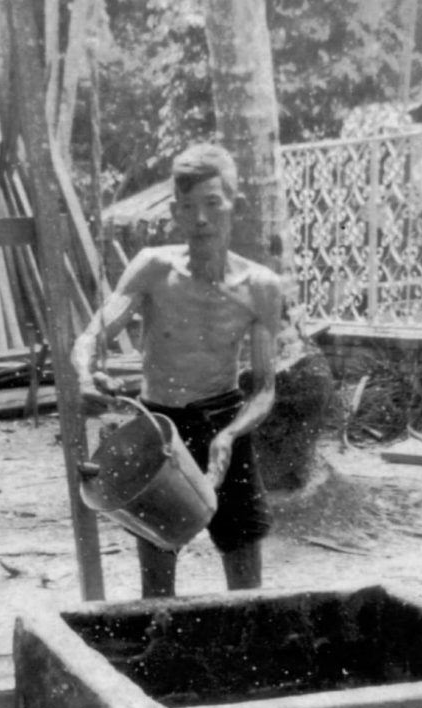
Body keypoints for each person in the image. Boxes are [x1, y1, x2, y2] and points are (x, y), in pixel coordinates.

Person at [72, 142, 283, 598]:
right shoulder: (153, 268)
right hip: (159, 427)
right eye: (187, 207)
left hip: (224, 421)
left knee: (246, 579)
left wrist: (230, 435)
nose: (200, 219)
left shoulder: (261, 286)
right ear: (174, 212)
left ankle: (245, 642)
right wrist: (86, 377)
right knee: (157, 571)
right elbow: (91, 337)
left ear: (235, 205)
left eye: (212, 203)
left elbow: (265, 389)